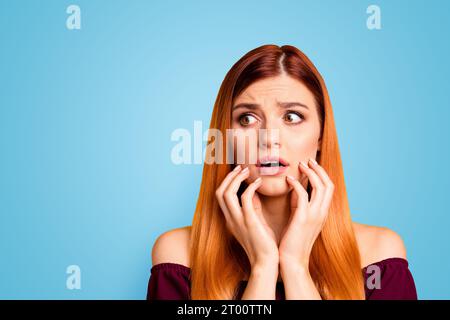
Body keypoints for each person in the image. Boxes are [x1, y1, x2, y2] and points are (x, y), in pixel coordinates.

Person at [148, 44, 418, 300]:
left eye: (292, 117)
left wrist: (295, 265)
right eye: (247, 119)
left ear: (321, 136)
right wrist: (263, 267)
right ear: (226, 137)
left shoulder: (378, 256)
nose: (269, 138)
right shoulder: (178, 255)